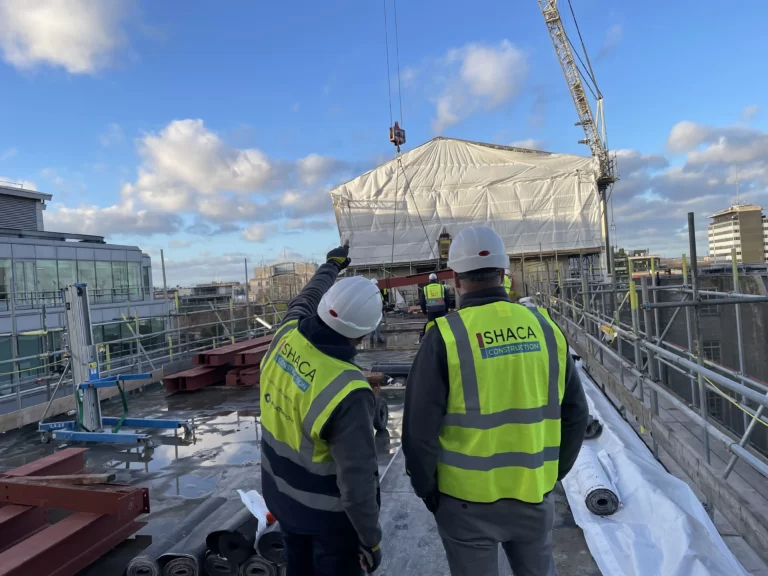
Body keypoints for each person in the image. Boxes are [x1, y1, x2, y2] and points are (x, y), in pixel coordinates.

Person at [403, 226, 588, 576]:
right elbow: (576, 414)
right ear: (504, 275)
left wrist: (427, 491)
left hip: (465, 504)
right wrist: (551, 476)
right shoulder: (545, 327)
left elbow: (418, 432)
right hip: (533, 493)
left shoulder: (444, 336)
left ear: (455, 279)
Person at [260, 244, 383, 575]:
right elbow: (357, 484)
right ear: (365, 333)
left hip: (282, 500)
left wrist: (331, 265)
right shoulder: (348, 389)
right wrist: (370, 540)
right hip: (329, 524)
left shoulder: (286, 335)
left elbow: (308, 295)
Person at [419, 272, 447, 340]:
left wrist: (424, 311)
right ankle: (443, 339)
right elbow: (447, 299)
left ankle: (432, 339)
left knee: (432, 326)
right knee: (443, 326)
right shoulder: (442, 287)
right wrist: (446, 309)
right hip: (441, 310)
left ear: (429, 280)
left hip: (431, 311)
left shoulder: (425, 289)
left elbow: (422, 302)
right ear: (437, 280)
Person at [370, 278, 386, 345]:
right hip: (376, 310)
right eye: (376, 284)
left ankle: (371, 337)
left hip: (373, 310)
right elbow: (378, 300)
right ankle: (378, 338)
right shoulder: (374, 291)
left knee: (373, 324)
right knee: (377, 324)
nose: (377, 285)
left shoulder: (371, 291)